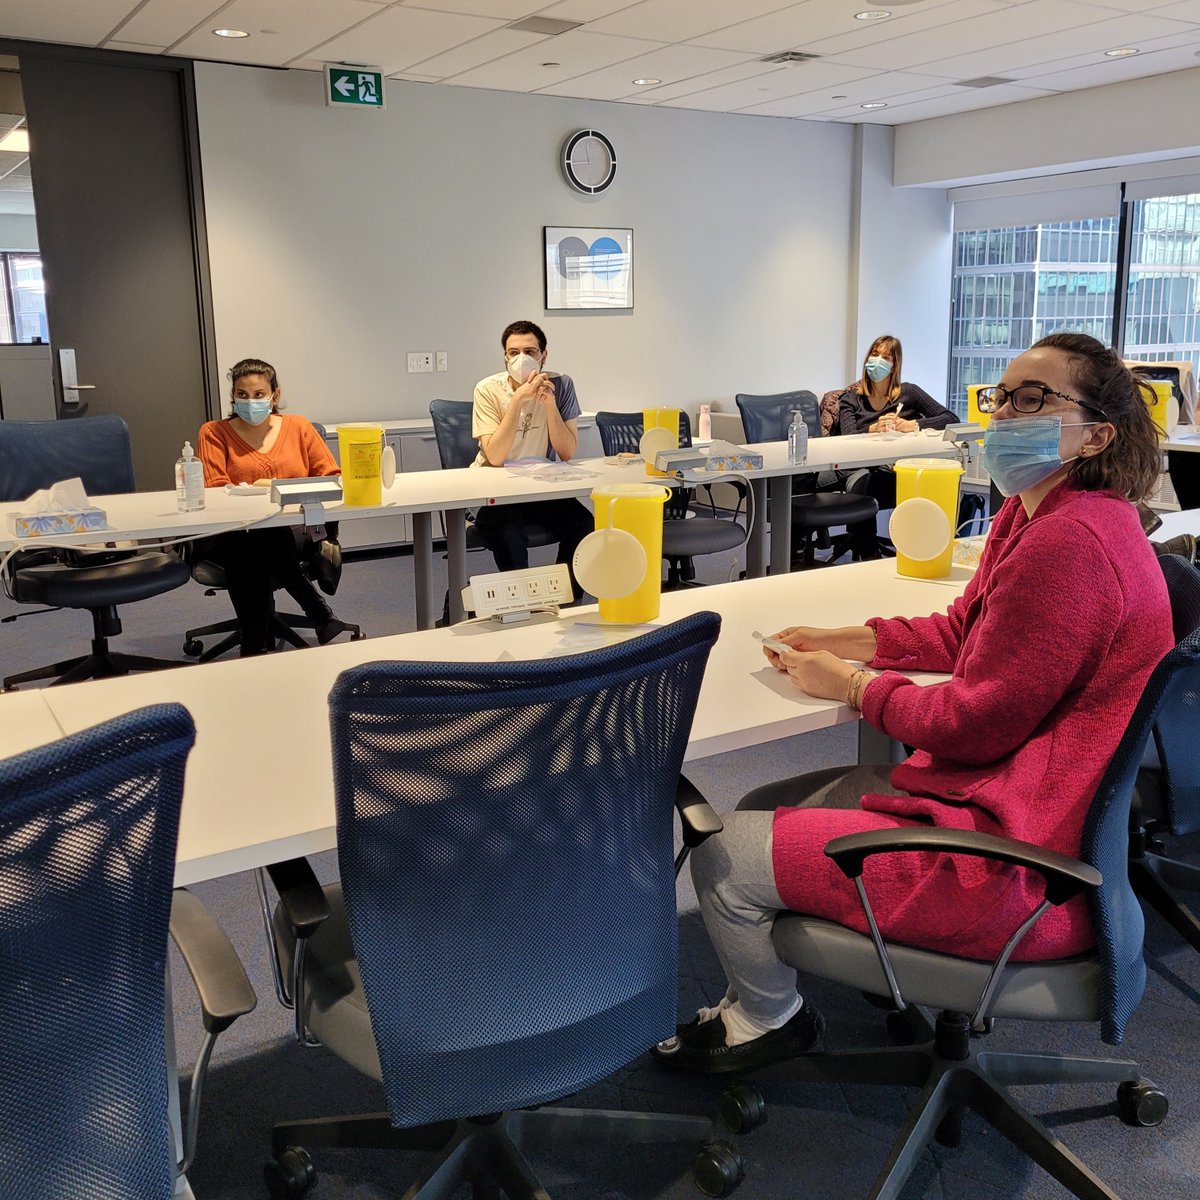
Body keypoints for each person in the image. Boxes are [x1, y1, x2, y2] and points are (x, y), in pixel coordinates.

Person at [658, 333, 1172, 1073]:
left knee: (723, 851)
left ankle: (764, 1021)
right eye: (1001, 397)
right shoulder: (1041, 515)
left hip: (1017, 867)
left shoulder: (1071, 546)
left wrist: (854, 687)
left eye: (1033, 399)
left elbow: (971, 723)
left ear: (1097, 433)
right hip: (1025, 814)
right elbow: (966, 630)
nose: (1003, 416)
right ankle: (861, 960)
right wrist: (855, 640)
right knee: (771, 796)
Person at [195, 357, 356, 656]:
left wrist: (267, 490)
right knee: (252, 539)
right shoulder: (214, 433)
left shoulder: (298, 427)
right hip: (233, 532)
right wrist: (275, 490)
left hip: (294, 529)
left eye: (258, 395)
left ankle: (253, 647)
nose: (250, 401)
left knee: (260, 542)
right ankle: (319, 613)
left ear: (275, 395)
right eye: (242, 395)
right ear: (232, 396)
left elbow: (331, 478)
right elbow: (216, 489)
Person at [470, 320, 594, 591]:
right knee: (509, 533)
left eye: (530, 351)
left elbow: (566, 451)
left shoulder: (561, 384)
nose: (521, 358)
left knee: (584, 524)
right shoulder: (487, 389)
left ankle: (565, 595)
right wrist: (518, 400)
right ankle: (523, 602)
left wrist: (549, 405)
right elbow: (495, 457)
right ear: (505, 357)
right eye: (513, 353)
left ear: (543, 355)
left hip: (541, 486)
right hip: (496, 490)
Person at [835, 335, 958, 541]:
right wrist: (872, 428)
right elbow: (846, 436)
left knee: (939, 482)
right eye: (875, 355)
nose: (878, 361)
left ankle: (924, 543)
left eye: (886, 357)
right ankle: (867, 551)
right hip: (859, 468)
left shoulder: (908, 393)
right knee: (864, 482)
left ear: (894, 365)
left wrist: (914, 424)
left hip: (894, 467)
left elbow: (951, 418)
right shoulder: (851, 399)